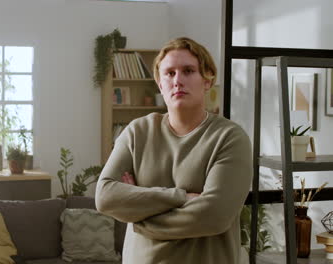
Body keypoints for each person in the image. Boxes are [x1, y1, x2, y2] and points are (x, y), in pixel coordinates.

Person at [95, 37, 253, 264]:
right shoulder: (137, 132)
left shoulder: (229, 138)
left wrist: (139, 213)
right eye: (169, 73)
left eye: (188, 71)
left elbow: (214, 216)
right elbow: (105, 197)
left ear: (207, 80)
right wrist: (181, 197)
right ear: (160, 84)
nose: (177, 80)